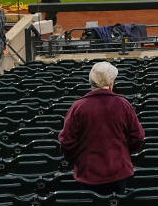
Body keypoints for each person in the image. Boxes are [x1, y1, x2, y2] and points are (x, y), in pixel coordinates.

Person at [58, 61, 145, 194]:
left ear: (91, 83)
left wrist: (79, 160)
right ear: (111, 84)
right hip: (118, 171)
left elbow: (66, 141)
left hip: (88, 173)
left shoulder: (78, 107)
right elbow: (138, 137)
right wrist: (123, 153)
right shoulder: (123, 104)